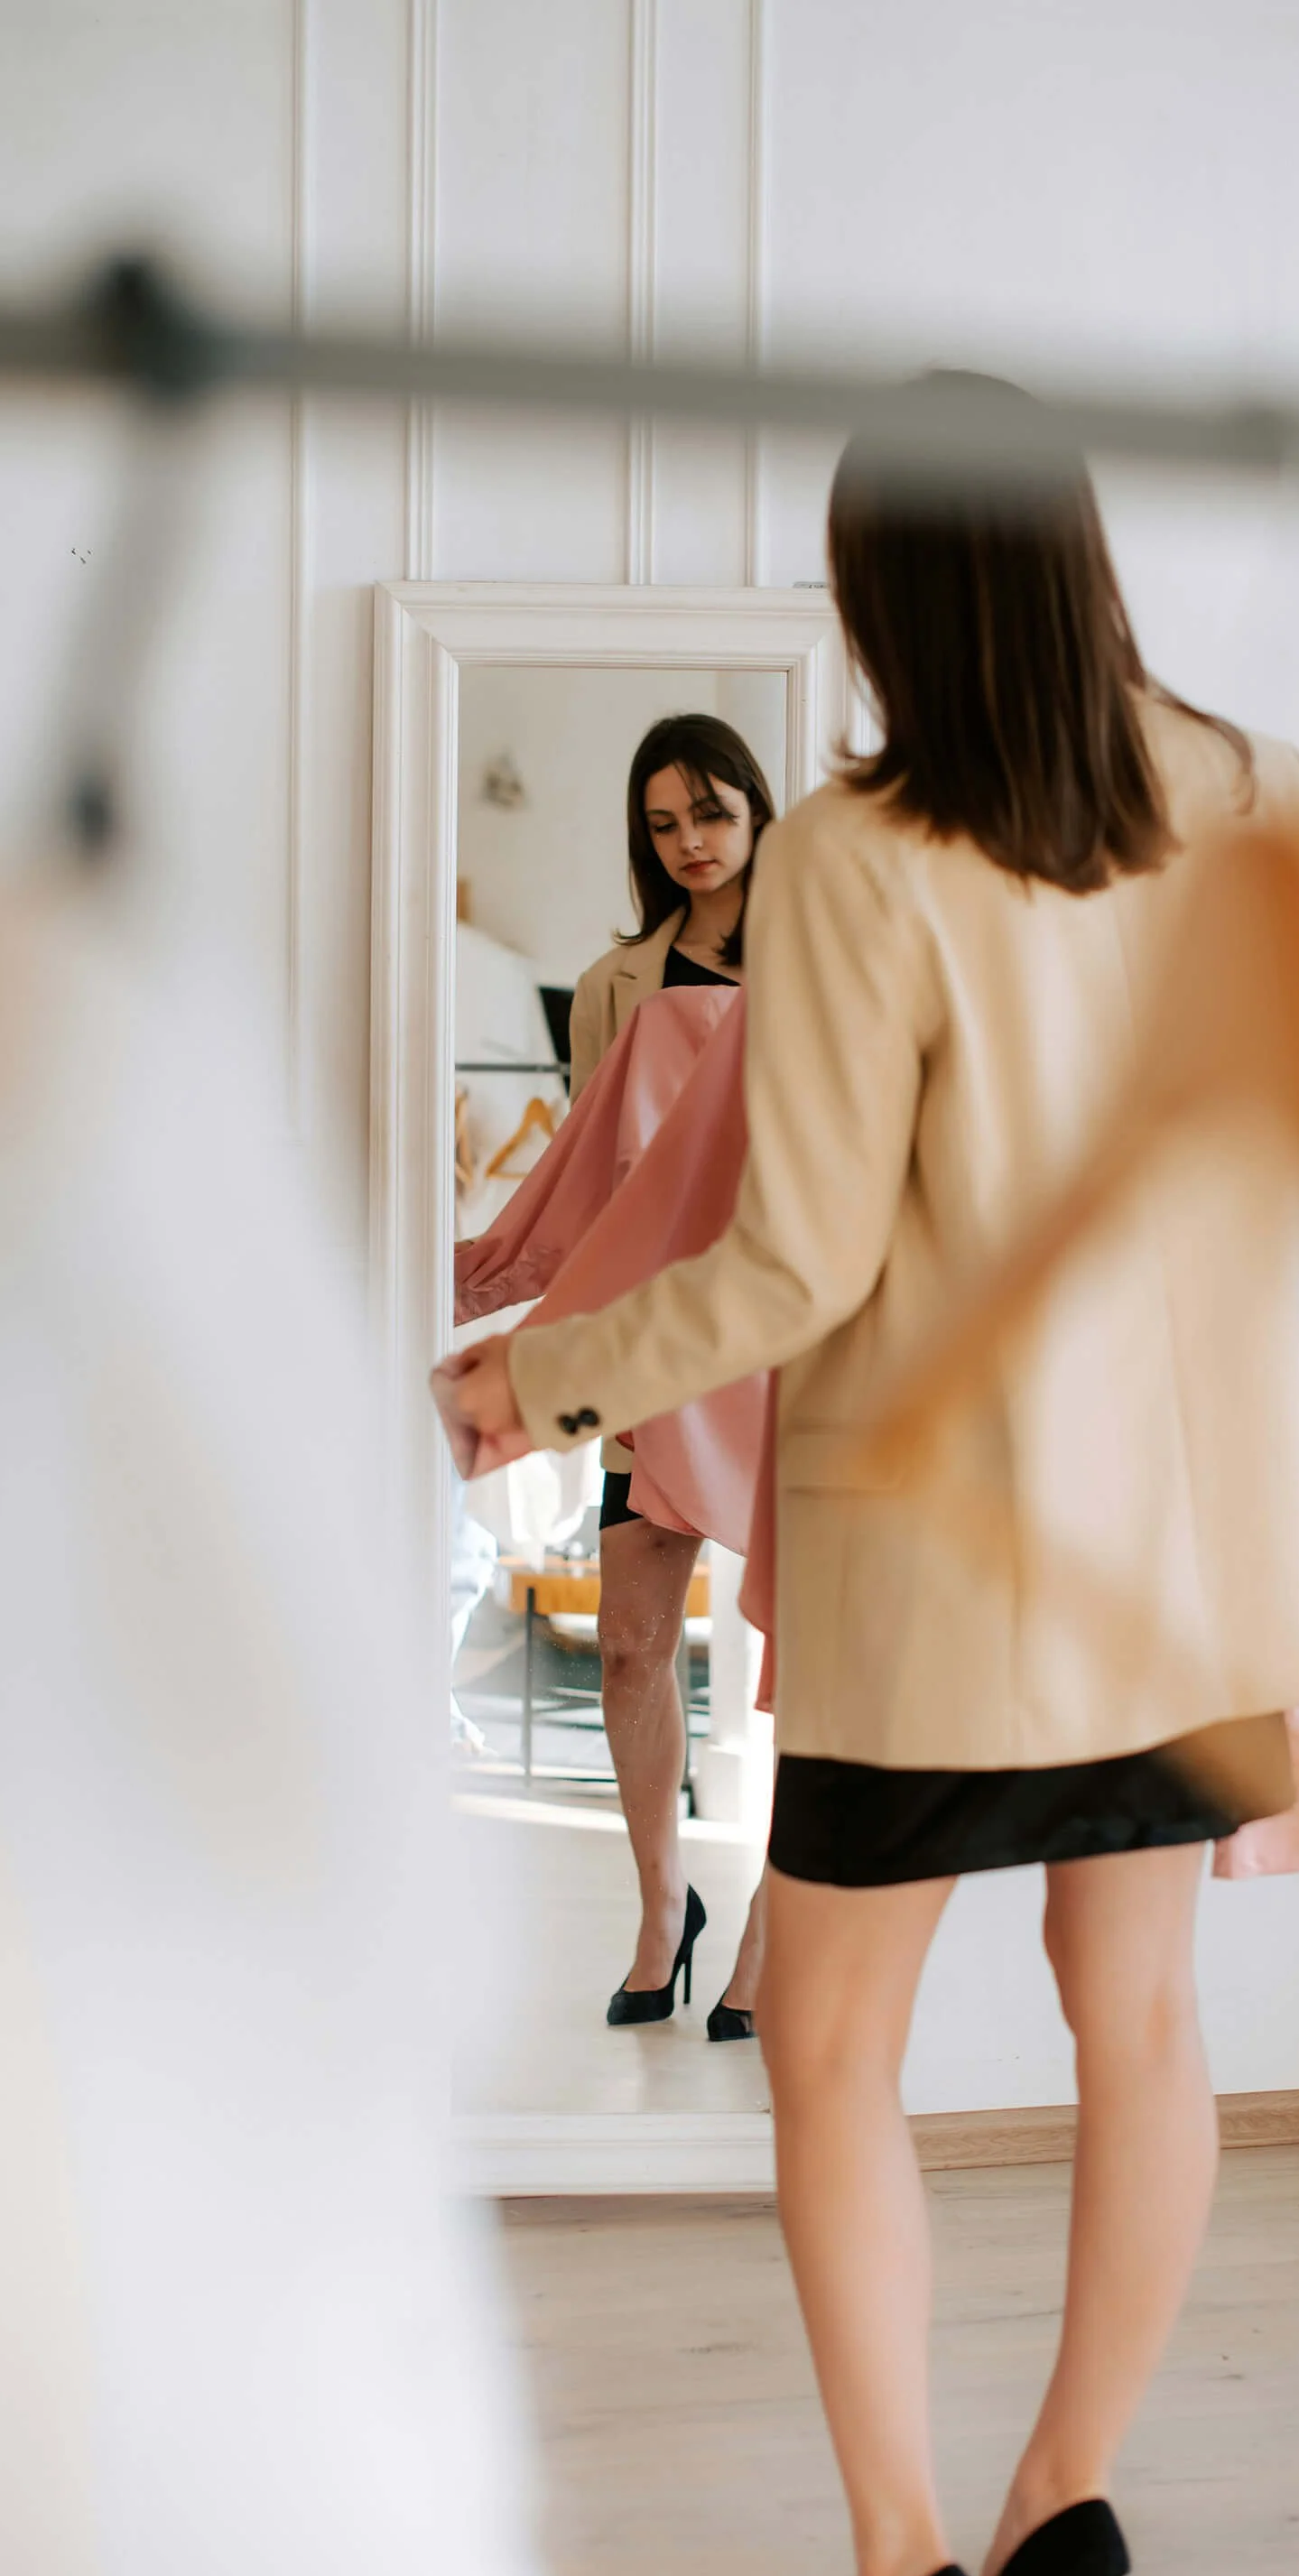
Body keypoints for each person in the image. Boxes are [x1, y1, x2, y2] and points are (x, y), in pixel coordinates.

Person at [439, 377, 1299, 2576]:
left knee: (834, 2048)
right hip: (1190, 1569)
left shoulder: (862, 850)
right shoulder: (1254, 797)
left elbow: (795, 1268)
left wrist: (530, 1377)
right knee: (1138, 2024)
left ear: (887, 591)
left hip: (953, 1575)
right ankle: (1065, 2496)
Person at [570, 712, 775, 2041]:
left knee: (807, 1660)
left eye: (708, 812)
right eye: (663, 824)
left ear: (755, 811)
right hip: (655, 1345)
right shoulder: (614, 986)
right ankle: (663, 1909)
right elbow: (597, 1192)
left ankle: (766, 1935)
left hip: (794, 1349)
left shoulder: (835, 957)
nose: (690, 843)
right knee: (634, 1642)